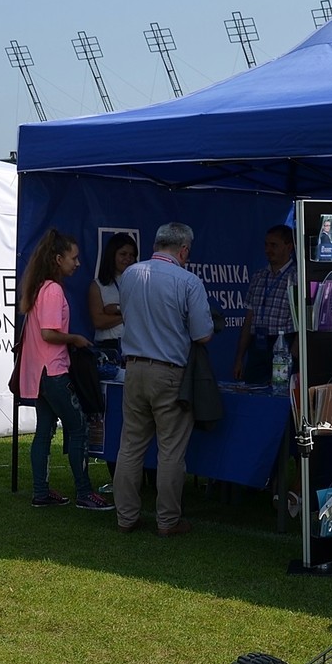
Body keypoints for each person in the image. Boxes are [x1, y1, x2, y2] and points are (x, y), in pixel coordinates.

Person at [115, 222, 215, 537]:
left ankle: (126, 517)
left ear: (156, 244)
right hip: (169, 372)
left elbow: (126, 315)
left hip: (133, 368)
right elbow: (203, 334)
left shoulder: (130, 274)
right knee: (171, 449)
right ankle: (167, 521)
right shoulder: (188, 281)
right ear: (183, 250)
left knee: (130, 446)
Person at [17, 228, 110, 511]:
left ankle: (41, 492)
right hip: (53, 372)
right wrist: (75, 339)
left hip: (38, 374)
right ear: (58, 259)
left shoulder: (39, 287)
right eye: (74, 258)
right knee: (79, 427)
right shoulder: (53, 289)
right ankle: (84, 493)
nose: (78, 263)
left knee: (44, 431)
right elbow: (48, 333)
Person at [232, 225, 295, 384]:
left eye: (274, 245)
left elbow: (304, 324)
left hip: (283, 344)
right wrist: (240, 358)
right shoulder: (259, 276)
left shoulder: (297, 277)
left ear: (289, 247)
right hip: (258, 345)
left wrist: (294, 357)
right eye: (266, 245)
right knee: (253, 390)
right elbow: (249, 319)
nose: (268, 250)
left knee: (280, 392)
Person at [88, 232, 138, 364]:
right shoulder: (98, 285)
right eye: (123, 254)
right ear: (112, 255)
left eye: (132, 255)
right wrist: (127, 314)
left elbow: (143, 313)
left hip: (135, 346)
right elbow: (99, 321)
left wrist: (115, 309)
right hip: (108, 347)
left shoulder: (140, 283)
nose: (128, 258)